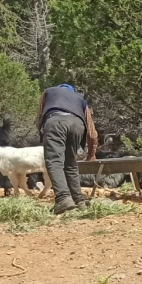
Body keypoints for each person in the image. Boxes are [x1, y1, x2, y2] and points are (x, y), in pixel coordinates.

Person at [36, 84, 98, 215]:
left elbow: (39, 116)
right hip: (77, 124)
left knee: (54, 162)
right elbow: (92, 132)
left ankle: (63, 198)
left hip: (56, 121)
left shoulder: (48, 92)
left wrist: (43, 132)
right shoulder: (79, 98)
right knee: (70, 164)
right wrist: (91, 154)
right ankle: (79, 201)